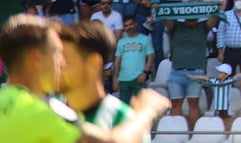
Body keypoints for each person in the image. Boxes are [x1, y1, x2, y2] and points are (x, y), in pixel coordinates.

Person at [0, 13, 171, 143]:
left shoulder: (10, 100)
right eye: (57, 54)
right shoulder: (41, 111)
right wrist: (146, 111)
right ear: (36, 58)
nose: (61, 63)